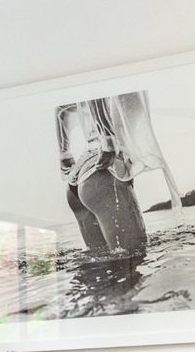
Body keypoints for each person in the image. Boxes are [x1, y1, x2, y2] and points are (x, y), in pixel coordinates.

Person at [56, 97, 150, 261]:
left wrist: (64, 153)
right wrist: (107, 138)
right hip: (106, 171)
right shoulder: (119, 77)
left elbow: (62, 110)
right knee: (132, 260)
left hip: (82, 171)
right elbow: (96, 91)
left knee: (102, 268)